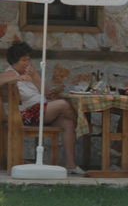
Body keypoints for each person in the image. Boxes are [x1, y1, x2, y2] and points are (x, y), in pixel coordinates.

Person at [2, 41, 85, 175]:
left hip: (40, 111)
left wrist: (35, 77)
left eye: (28, 59)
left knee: (68, 123)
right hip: (26, 115)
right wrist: (16, 78)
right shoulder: (11, 72)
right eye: (24, 60)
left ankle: (71, 165)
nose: (27, 63)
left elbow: (45, 93)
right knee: (63, 104)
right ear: (14, 61)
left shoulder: (30, 72)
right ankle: (84, 127)